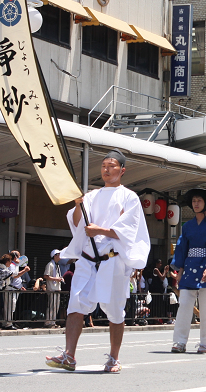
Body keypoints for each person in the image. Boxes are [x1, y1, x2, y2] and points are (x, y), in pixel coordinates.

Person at [46, 149, 150, 373]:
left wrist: (100, 230)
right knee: (75, 305)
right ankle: (69, 355)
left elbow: (128, 230)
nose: (107, 169)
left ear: (122, 170)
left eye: (112, 165)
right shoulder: (91, 196)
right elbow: (77, 224)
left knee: (114, 311)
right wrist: (77, 205)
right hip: (86, 260)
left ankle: (114, 357)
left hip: (111, 261)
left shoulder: (129, 197)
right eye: (104, 165)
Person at [170, 188, 206, 354]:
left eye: (199, 201)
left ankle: (204, 343)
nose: (196, 204)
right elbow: (181, 248)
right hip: (188, 268)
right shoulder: (187, 226)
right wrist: (180, 271)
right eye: (194, 201)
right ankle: (179, 342)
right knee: (184, 305)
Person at [3, 250, 30, 330]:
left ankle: (8, 322)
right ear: (15, 257)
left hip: (15, 288)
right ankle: (8, 323)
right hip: (10, 288)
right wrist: (24, 270)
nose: (20, 258)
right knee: (9, 307)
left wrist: (20, 286)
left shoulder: (16, 265)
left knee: (12, 307)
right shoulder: (12, 265)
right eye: (19, 256)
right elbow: (14, 276)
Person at [44, 249, 64, 328]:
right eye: (58, 255)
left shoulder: (57, 265)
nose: (59, 257)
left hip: (57, 288)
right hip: (52, 288)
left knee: (56, 306)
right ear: (54, 256)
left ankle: (53, 321)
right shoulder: (50, 265)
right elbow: (46, 275)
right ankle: (48, 322)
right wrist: (56, 279)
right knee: (52, 305)